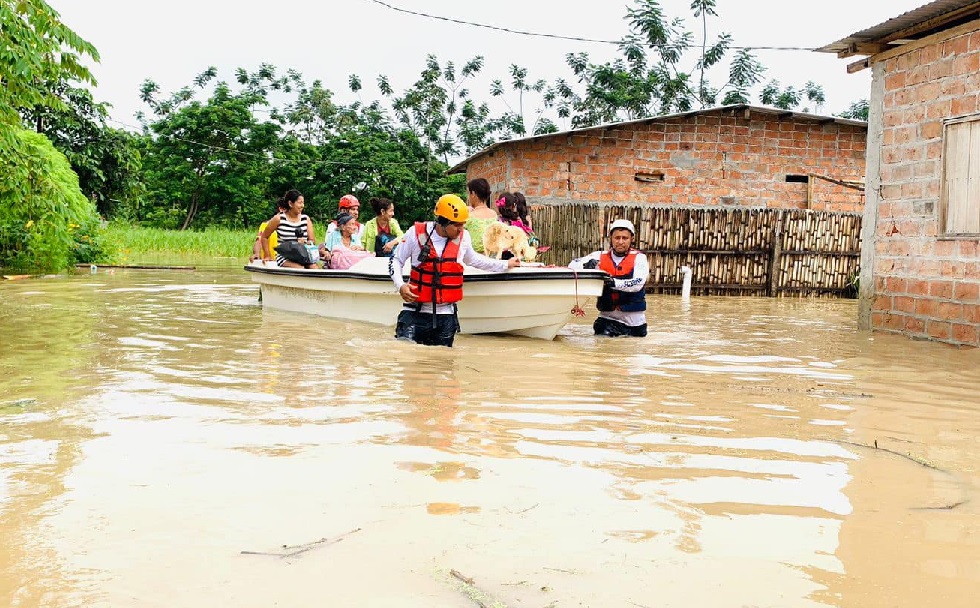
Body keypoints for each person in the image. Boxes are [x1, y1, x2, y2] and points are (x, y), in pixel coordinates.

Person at [389, 193, 520, 347]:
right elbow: (396, 259)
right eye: (457, 225)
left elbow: (475, 260)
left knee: (443, 363)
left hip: (445, 317)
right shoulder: (414, 233)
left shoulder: (464, 238)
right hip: (414, 313)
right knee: (406, 358)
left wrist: (505, 264)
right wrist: (400, 285)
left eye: (463, 224)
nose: (461, 229)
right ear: (442, 222)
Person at [568, 219, 649, 337]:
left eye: (624, 238)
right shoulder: (598, 256)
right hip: (607, 320)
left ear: (632, 239)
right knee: (603, 343)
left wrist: (613, 283)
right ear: (611, 238)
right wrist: (585, 265)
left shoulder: (639, 258)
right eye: (617, 238)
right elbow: (572, 265)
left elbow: (637, 284)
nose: (620, 242)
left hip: (636, 324)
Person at [259, 189, 321, 268]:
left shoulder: (306, 219)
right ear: (290, 204)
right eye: (299, 203)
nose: (302, 205)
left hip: (303, 255)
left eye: (303, 203)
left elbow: (312, 241)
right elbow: (264, 237)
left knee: (314, 268)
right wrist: (267, 255)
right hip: (285, 257)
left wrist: (305, 243)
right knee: (299, 268)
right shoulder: (278, 219)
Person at [464, 178, 498, 254]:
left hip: (475, 260)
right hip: (493, 259)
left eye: (469, 194)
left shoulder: (469, 216)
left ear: (473, 194)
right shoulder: (494, 214)